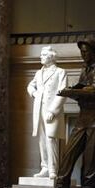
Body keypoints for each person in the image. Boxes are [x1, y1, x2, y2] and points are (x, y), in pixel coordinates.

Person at [45, 40, 95, 188]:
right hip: (83, 116)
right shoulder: (84, 70)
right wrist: (70, 91)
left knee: (91, 156)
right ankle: (61, 186)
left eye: (86, 51)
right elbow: (81, 86)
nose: (83, 54)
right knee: (68, 152)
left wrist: (72, 92)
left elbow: (93, 90)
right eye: (82, 52)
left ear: (94, 52)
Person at [27, 46, 67, 179]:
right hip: (39, 109)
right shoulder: (39, 73)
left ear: (51, 57)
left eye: (43, 55)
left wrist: (53, 111)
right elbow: (30, 85)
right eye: (41, 55)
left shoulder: (60, 72)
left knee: (51, 139)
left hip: (51, 111)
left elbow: (62, 92)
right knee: (42, 139)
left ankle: (53, 169)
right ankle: (44, 167)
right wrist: (34, 92)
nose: (41, 57)